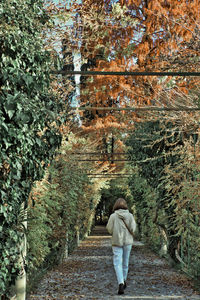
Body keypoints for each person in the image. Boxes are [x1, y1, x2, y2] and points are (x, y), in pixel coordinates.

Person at [106, 198, 136, 295]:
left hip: (116, 241)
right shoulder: (130, 216)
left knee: (117, 262)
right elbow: (133, 228)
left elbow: (109, 229)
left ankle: (120, 283)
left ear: (116, 205)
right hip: (128, 242)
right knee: (125, 262)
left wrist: (115, 231)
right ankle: (123, 280)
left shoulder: (113, 216)